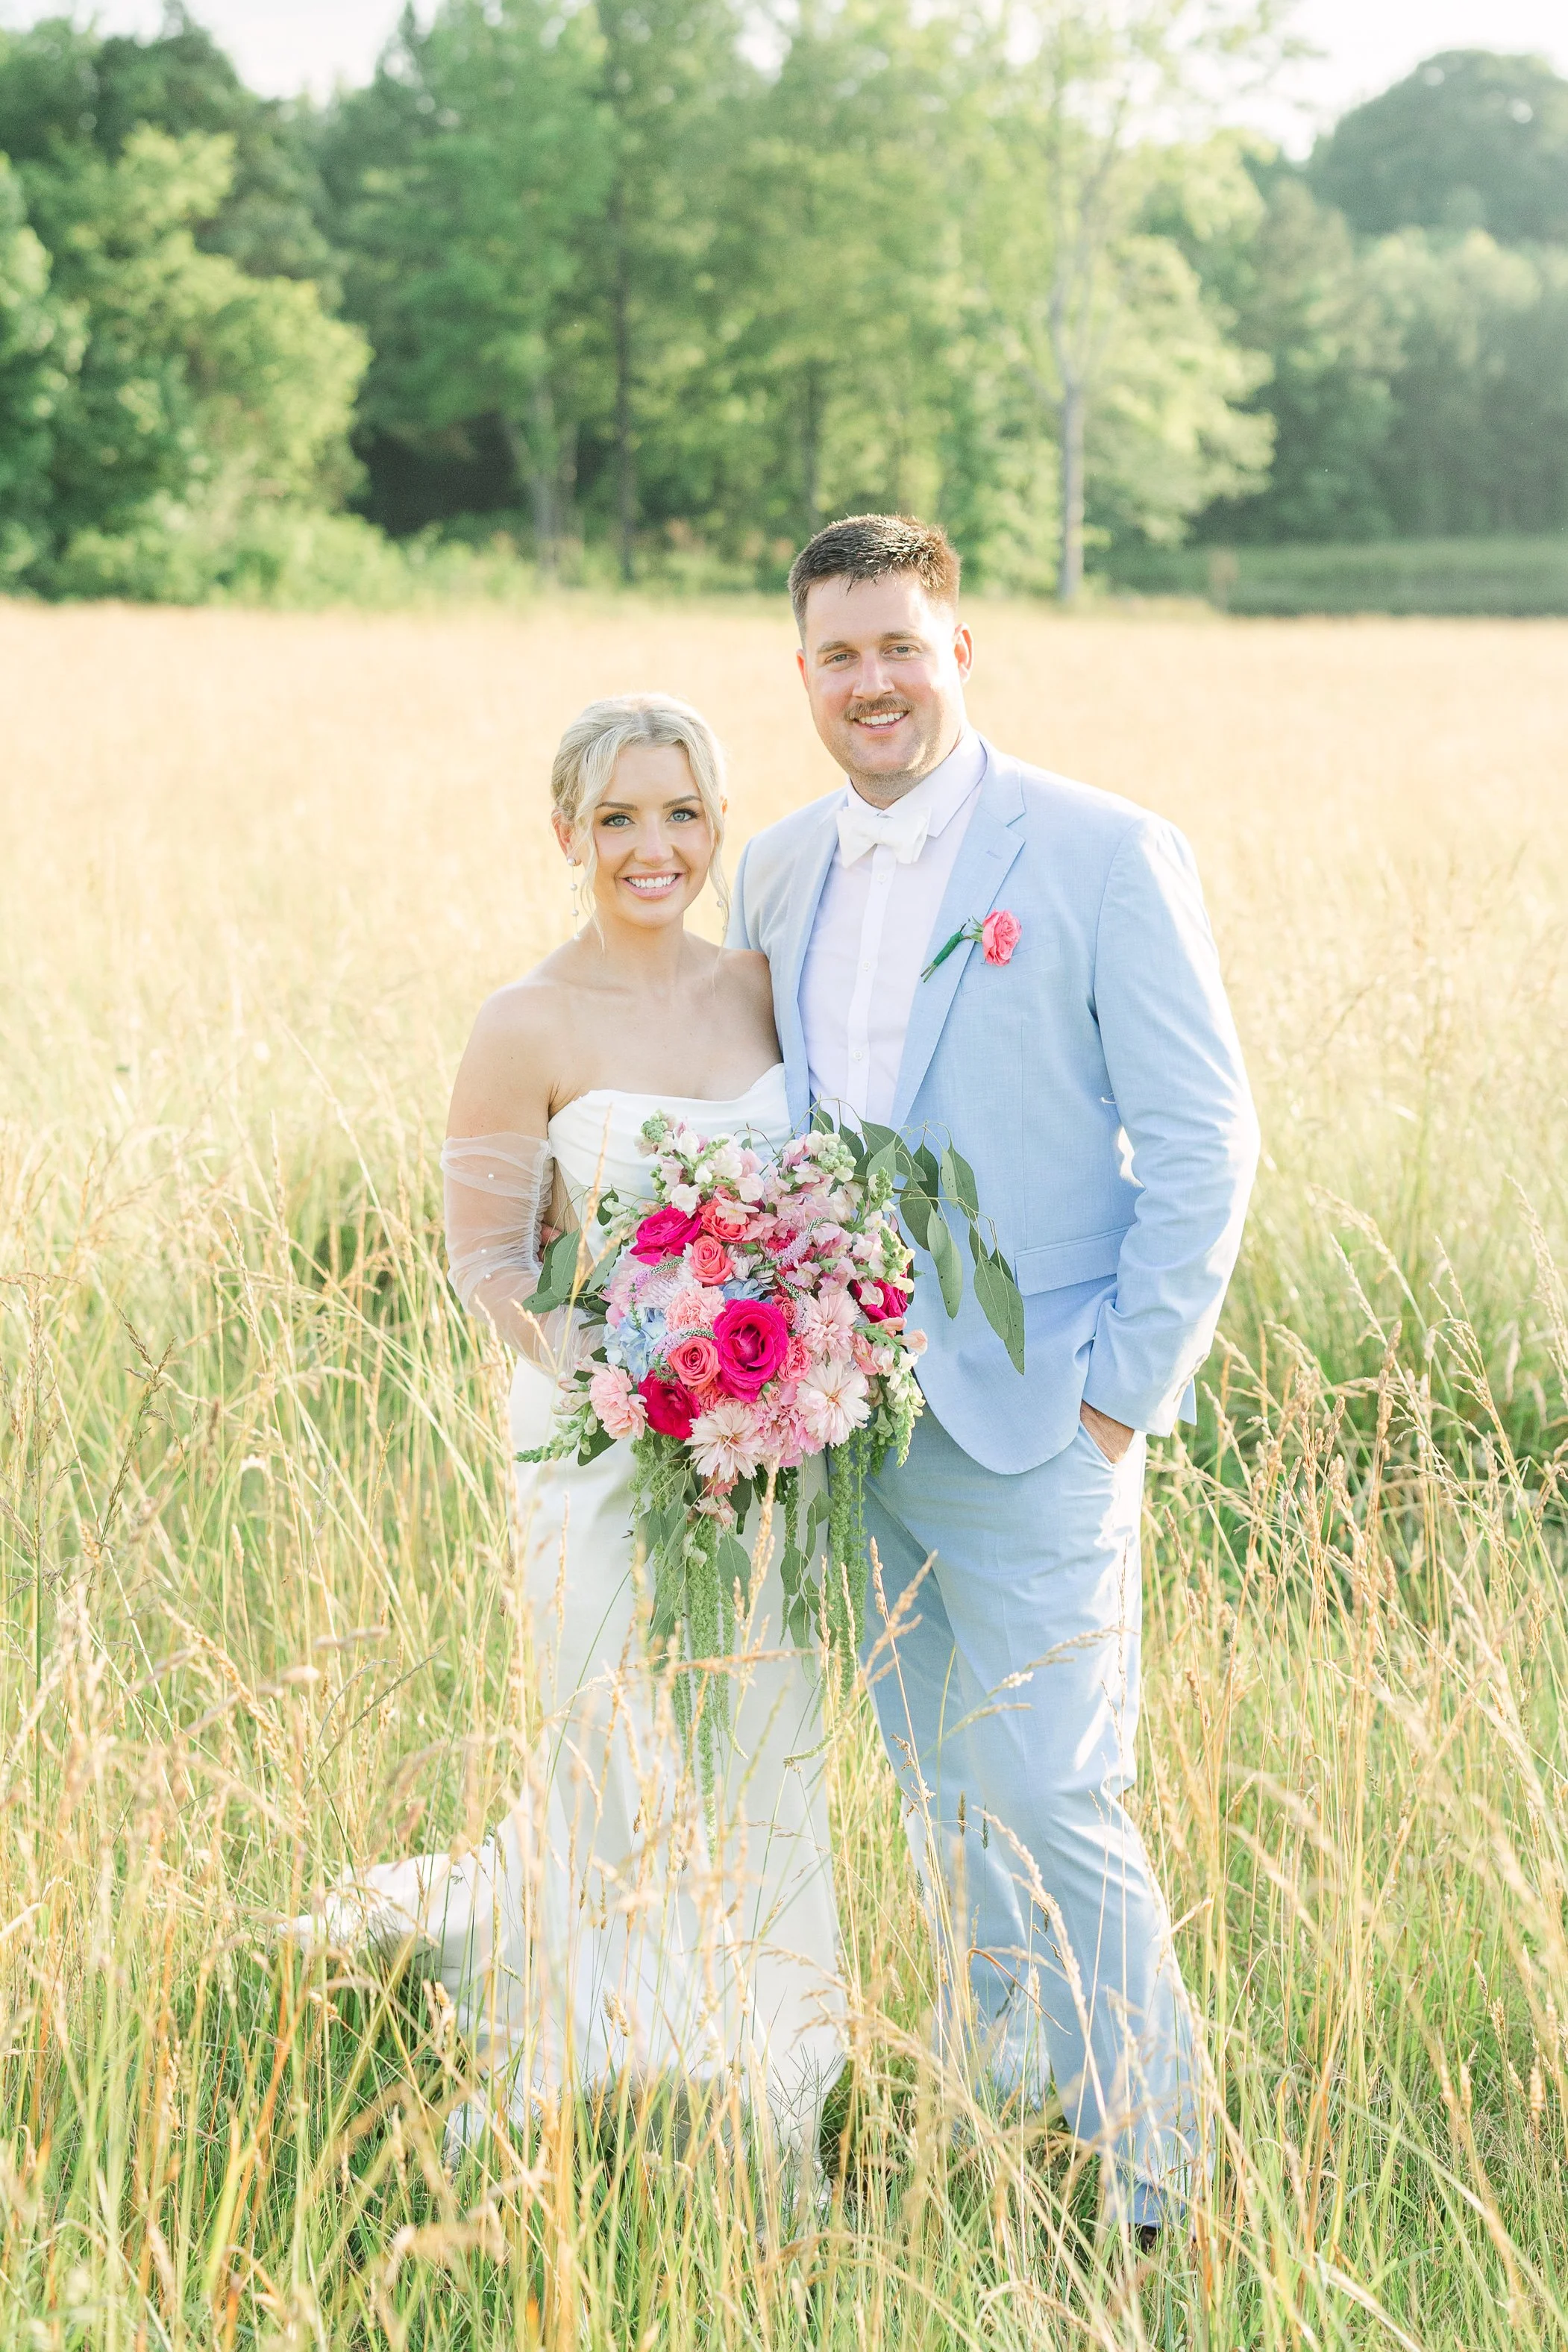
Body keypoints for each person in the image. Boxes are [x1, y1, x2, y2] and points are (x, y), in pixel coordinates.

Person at [726, 513, 1259, 2242]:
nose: (869, 680)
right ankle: (1018, 2098)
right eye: (837, 654)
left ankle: (1155, 2171)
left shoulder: (1098, 852)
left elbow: (1202, 1142)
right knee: (945, 1781)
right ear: (801, 672)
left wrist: (1120, 1398)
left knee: (1052, 1781)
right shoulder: (785, 868)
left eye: (899, 645)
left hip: (1043, 1414)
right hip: (847, 1416)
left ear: (959, 653)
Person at [289, 693, 844, 2157]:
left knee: (761, 1731)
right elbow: (486, 1256)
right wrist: (624, 1378)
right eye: (616, 817)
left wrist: (773, 1371)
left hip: (763, 1444)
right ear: (565, 834)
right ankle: (593, 2071)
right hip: (596, 1441)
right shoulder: (523, 1019)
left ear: (719, 826)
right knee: (620, 1732)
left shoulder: (770, 993)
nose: (650, 846)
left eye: (678, 813)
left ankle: (769, 2075)